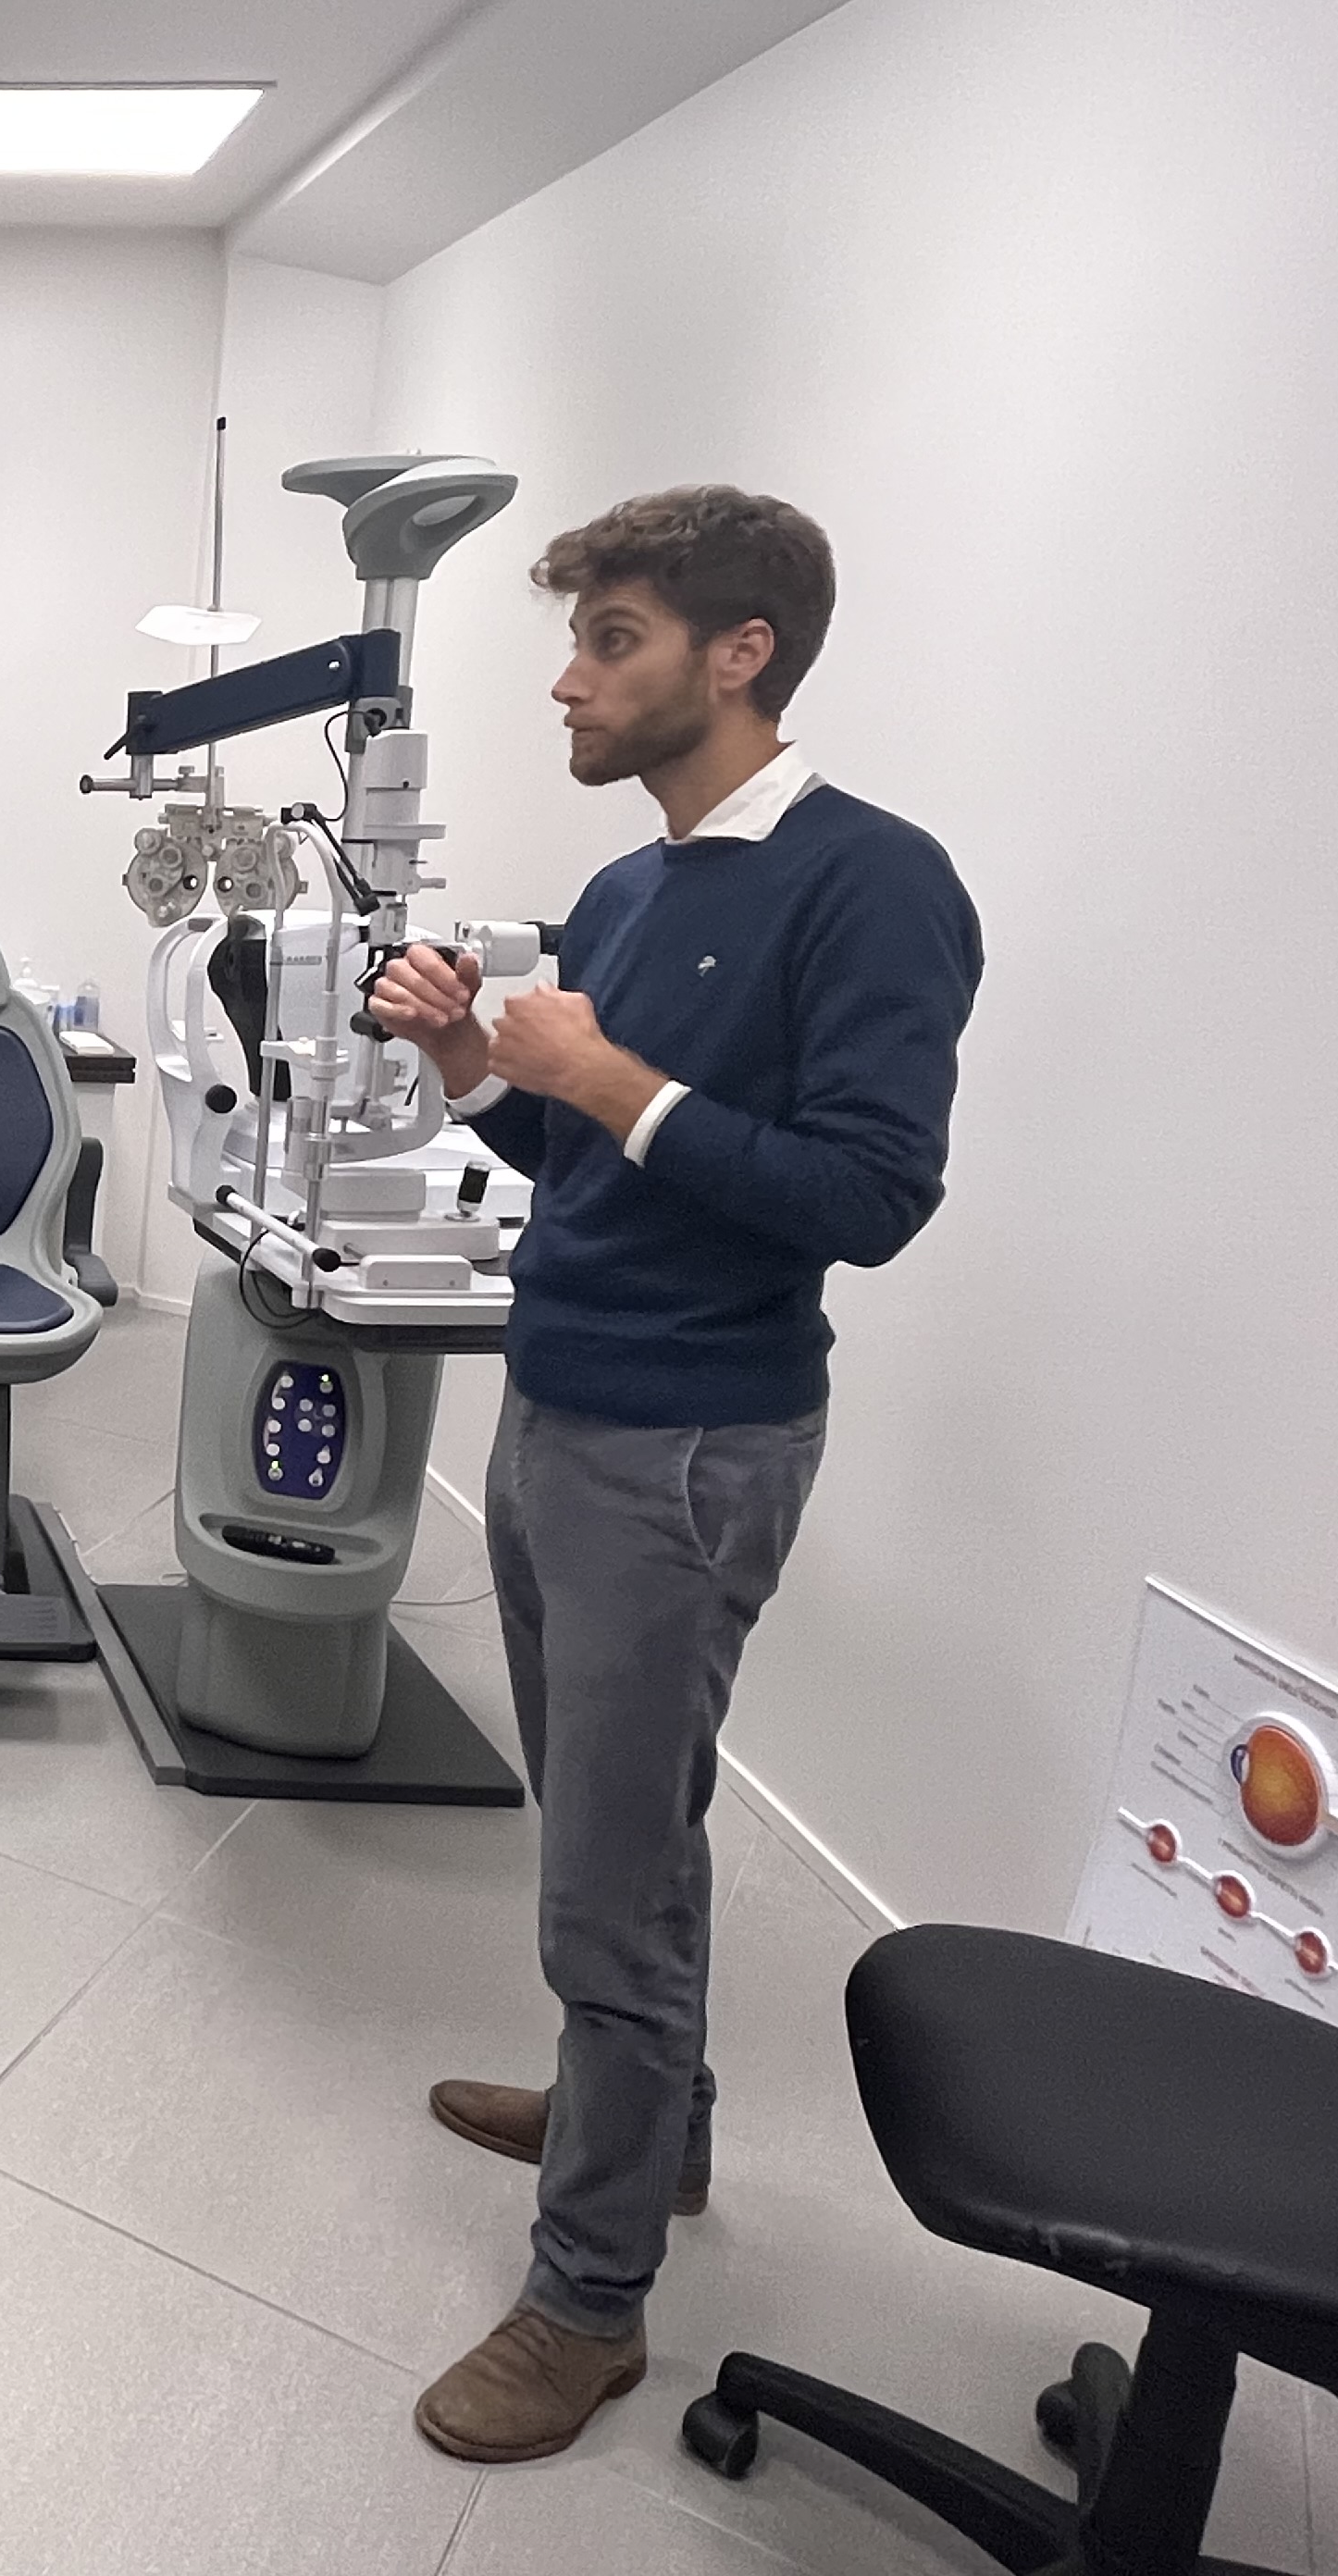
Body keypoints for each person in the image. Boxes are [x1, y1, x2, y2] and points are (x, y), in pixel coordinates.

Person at [365, 486, 981, 2465]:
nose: (568, 678)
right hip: (555, 1407)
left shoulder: (873, 884)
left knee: (603, 1897)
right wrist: (480, 1068)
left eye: (609, 638)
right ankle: (659, 2121)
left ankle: (588, 2298)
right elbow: (589, 1162)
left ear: (740, 654)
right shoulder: (629, 892)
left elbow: (869, 1194)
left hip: (692, 1445)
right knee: (619, 1829)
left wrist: (605, 1076)